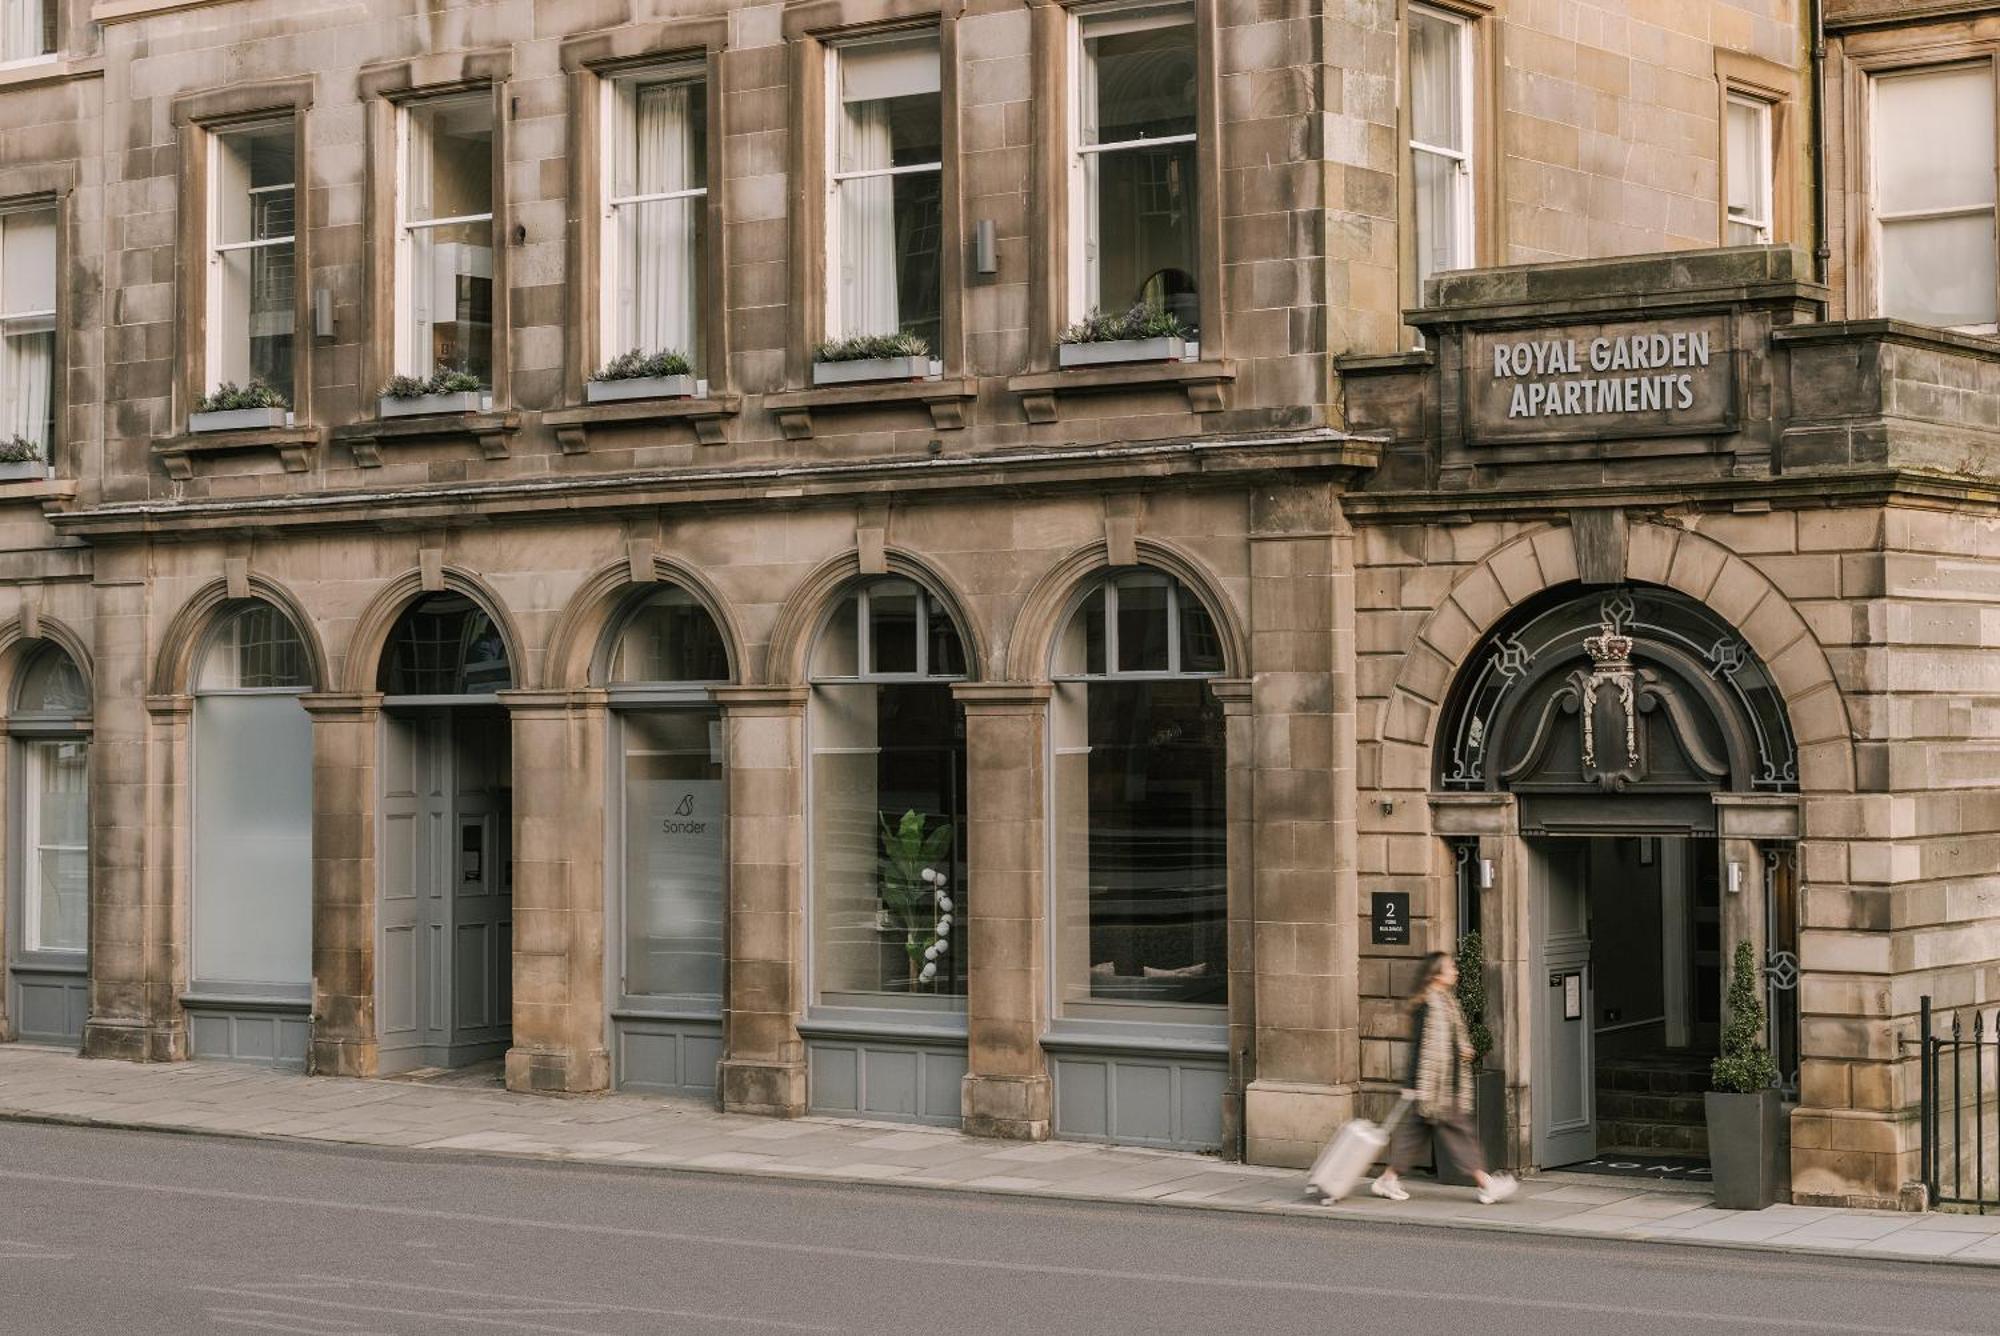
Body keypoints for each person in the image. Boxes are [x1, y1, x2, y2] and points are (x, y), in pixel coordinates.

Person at [1372, 950, 1518, 1205]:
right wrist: (1411, 1085)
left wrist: (1462, 1048)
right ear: (1436, 974)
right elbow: (1419, 1047)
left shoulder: (1445, 1002)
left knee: (1417, 1134)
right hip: (1434, 1086)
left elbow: (1445, 1041)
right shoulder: (1427, 1005)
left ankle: (1388, 1178)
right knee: (1458, 1131)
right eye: (1451, 968)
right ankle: (1486, 1183)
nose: (1456, 971)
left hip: (1442, 1084)